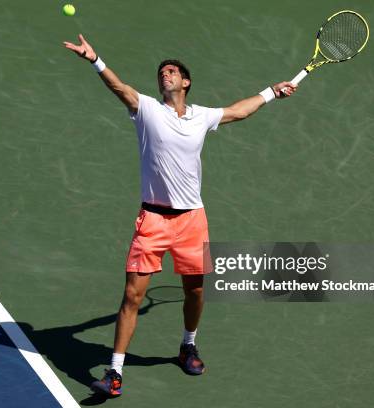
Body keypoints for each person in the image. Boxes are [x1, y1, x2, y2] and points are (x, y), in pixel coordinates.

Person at [63, 34, 297, 397]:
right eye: (161, 72)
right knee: (131, 297)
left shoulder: (202, 116)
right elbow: (119, 87)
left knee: (197, 290)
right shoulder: (146, 110)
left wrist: (271, 91)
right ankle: (114, 373)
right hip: (153, 221)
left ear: (185, 82)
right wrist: (95, 60)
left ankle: (188, 345)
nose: (165, 74)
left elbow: (238, 110)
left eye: (172, 71)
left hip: (192, 220)